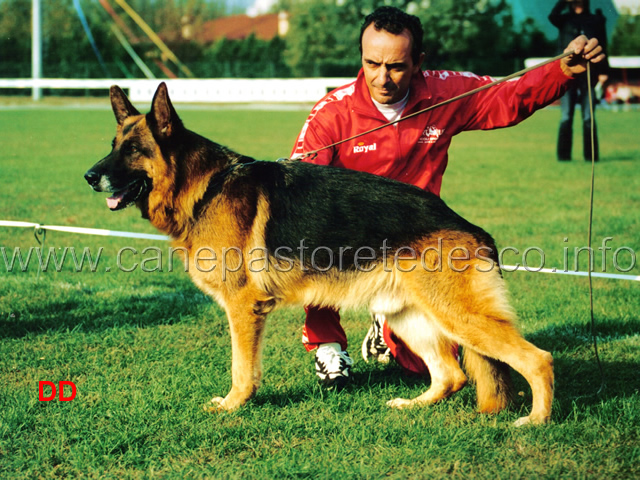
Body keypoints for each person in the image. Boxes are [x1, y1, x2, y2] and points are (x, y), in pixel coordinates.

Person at [290, 6, 605, 388]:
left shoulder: (445, 91)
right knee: (309, 243)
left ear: (419, 61)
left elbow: (507, 96)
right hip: (347, 235)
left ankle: (385, 328)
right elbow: (299, 187)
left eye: (396, 66)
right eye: (371, 63)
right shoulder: (331, 114)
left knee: (430, 365)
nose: (382, 78)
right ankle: (328, 347)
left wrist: (561, 71)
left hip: (416, 240)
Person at [549, 0, 608, 161]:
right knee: (566, 116)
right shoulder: (564, 19)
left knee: (588, 116)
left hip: (589, 73)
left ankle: (591, 156)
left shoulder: (596, 19)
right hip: (567, 73)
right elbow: (552, 16)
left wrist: (604, 71)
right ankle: (564, 156)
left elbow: (603, 44)